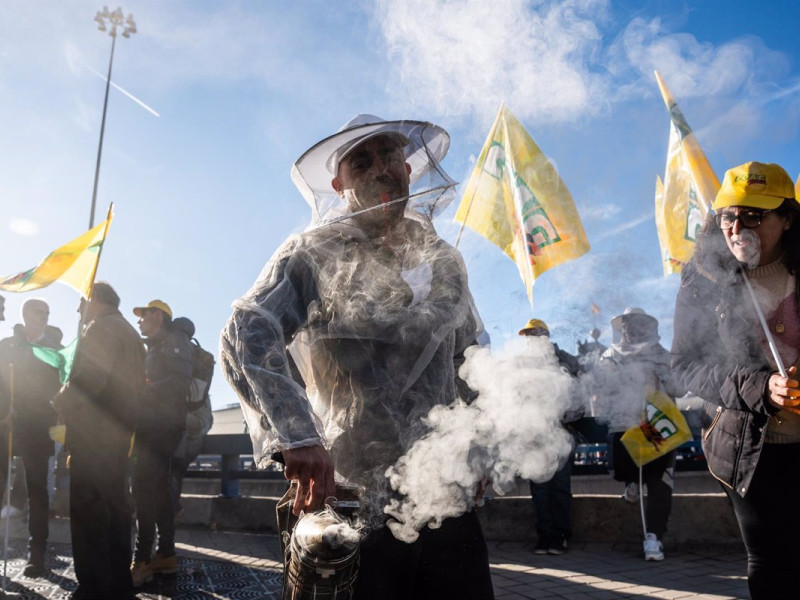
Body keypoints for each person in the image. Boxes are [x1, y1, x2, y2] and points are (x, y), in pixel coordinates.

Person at [220, 114, 494, 599]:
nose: (379, 169)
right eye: (361, 162)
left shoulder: (444, 260)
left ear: (410, 169)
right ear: (339, 184)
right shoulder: (313, 251)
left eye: (390, 155)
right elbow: (248, 330)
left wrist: (477, 446)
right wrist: (298, 435)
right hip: (353, 492)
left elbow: (468, 357)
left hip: (444, 489)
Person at [671, 162, 800, 599]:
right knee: (770, 564)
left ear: (786, 218)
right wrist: (761, 388)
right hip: (750, 447)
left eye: (754, 215)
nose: (737, 227)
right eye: (729, 215)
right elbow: (685, 365)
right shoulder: (704, 275)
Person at [52, 282, 145, 600]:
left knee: (89, 512)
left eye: (82, 303)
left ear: (96, 300)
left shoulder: (100, 328)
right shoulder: (132, 335)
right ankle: (119, 583)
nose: (79, 310)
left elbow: (89, 379)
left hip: (93, 435)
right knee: (117, 510)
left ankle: (92, 586)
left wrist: (60, 400)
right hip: (120, 436)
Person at [594, 307, 685, 561]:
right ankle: (632, 482)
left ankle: (654, 537)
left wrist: (661, 381)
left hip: (657, 424)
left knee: (660, 481)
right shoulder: (610, 356)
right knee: (624, 467)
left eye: (636, 324)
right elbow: (600, 386)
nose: (631, 329)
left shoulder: (660, 355)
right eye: (626, 325)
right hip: (624, 425)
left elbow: (678, 387)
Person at [130, 300, 192, 587]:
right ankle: (165, 556)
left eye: (143, 315)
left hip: (162, 430)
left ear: (157, 315)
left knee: (143, 491)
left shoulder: (174, 341)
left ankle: (141, 561)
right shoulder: (155, 345)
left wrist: (144, 389)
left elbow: (180, 384)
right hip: (153, 428)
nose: (140, 320)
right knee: (158, 494)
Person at [0, 298, 62, 576]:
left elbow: (63, 386)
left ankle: (36, 554)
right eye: (40, 312)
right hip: (7, 426)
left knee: (38, 493)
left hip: (38, 427)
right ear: (25, 314)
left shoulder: (55, 350)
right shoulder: (6, 346)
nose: (45, 316)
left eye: (47, 312)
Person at [518, 318, 579, 555]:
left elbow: (578, 384)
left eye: (536, 334)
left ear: (546, 336)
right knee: (540, 487)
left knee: (559, 486)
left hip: (560, 431)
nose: (532, 339)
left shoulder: (561, 359)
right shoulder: (522, 364)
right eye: (528, 335)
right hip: (534, 432)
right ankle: (545, 536)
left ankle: (561, 536)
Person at [169, 316, 214, 517]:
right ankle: (171, 512)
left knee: (170, 472)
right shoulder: (200, 357)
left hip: (184, 426)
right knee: (174, 471)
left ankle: (169, 515)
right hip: (198, 426)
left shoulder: (179, 355)